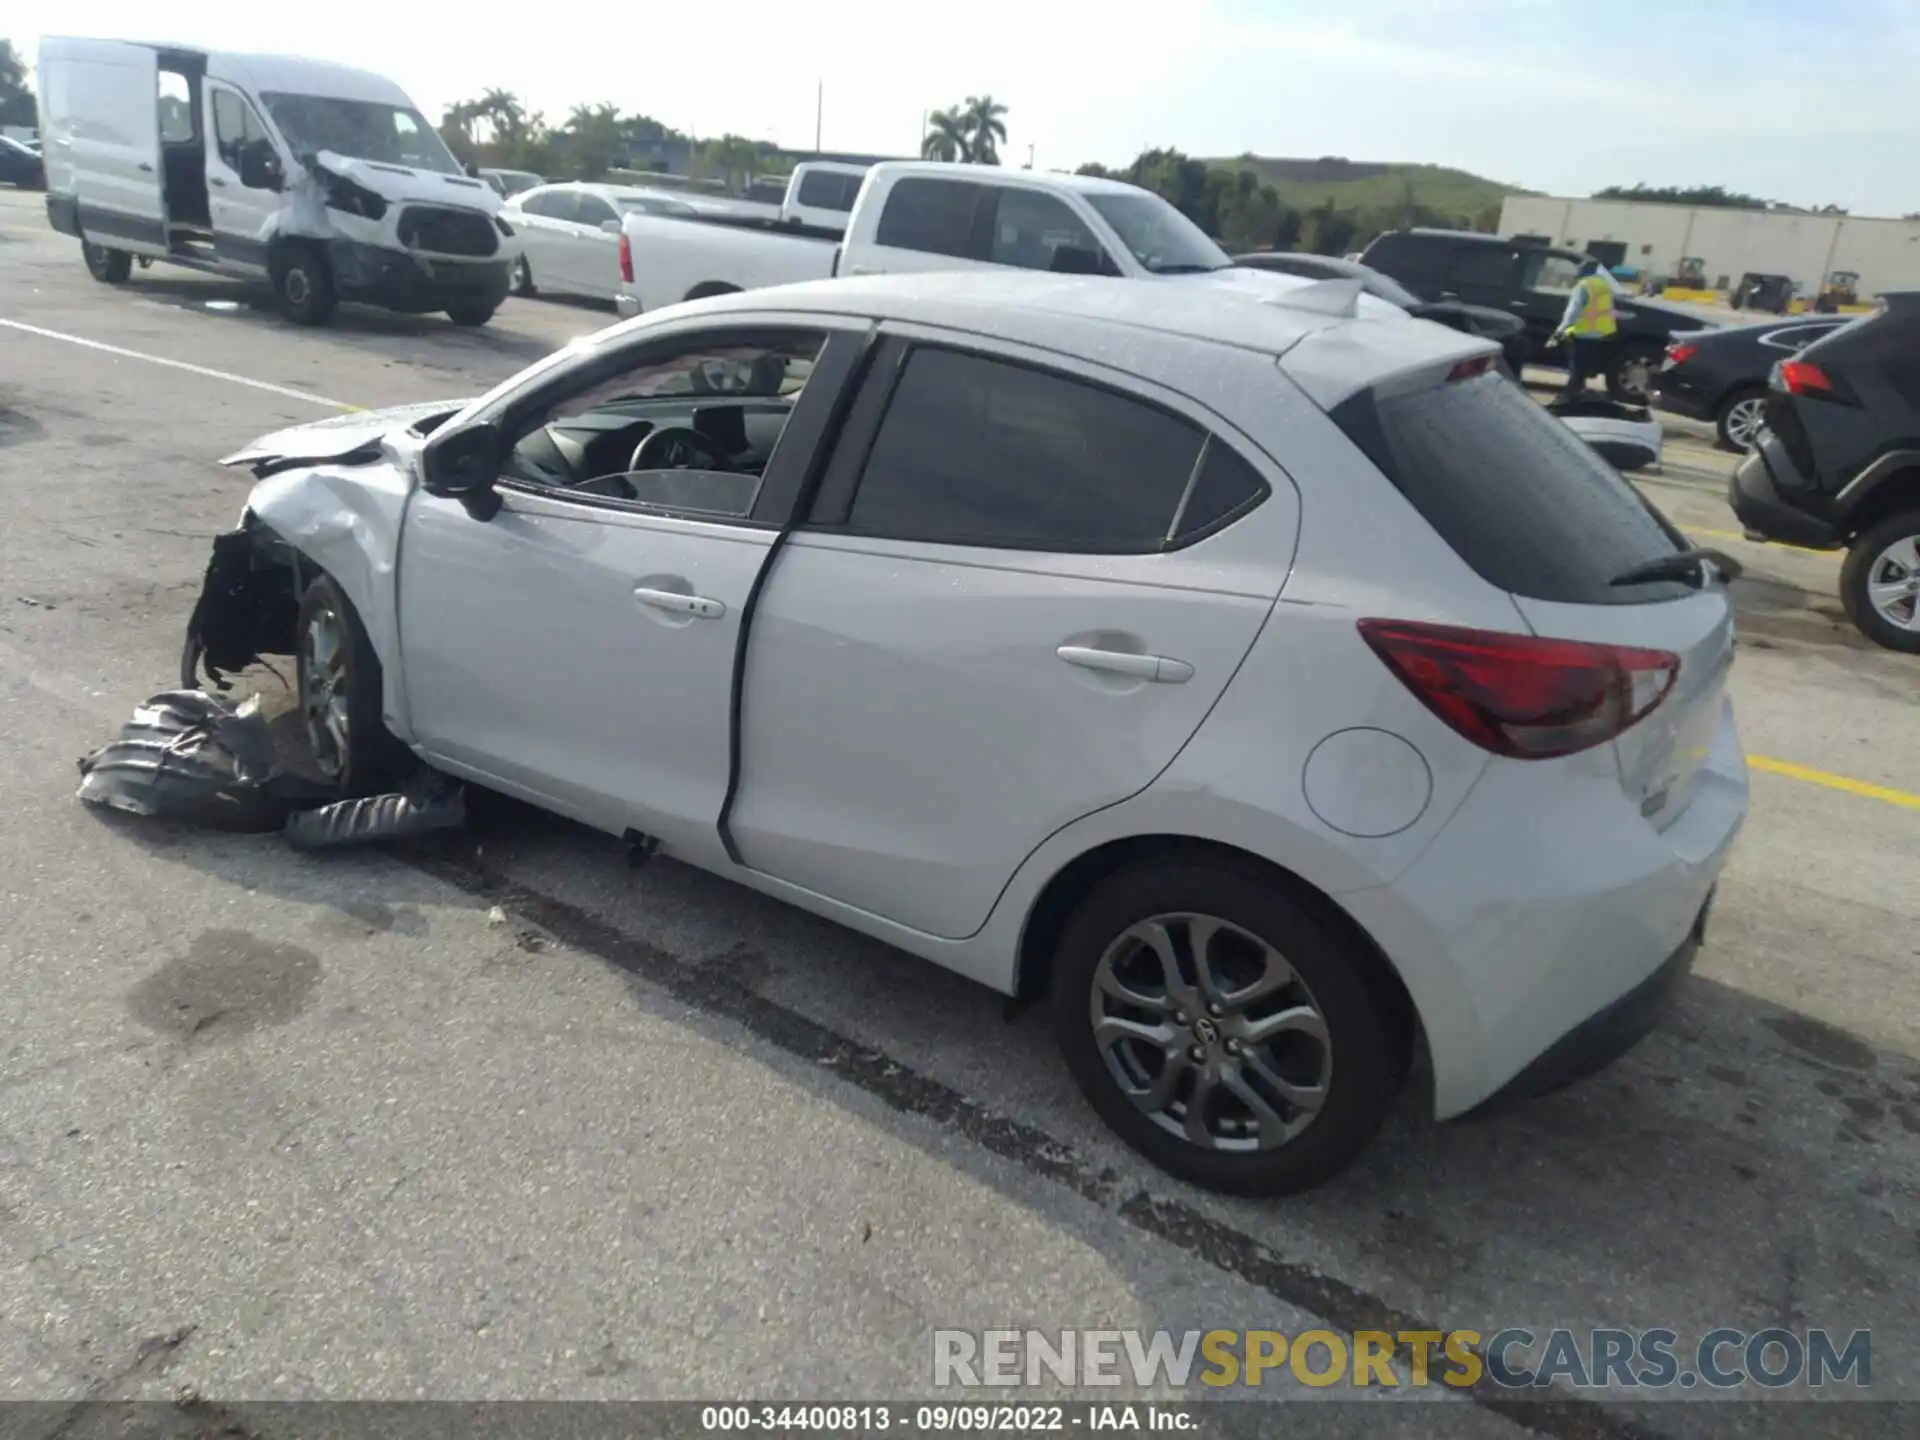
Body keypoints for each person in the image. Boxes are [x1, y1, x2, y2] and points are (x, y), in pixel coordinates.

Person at [1552, 258, 1617, 400]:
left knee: (1576, 368)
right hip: (1600, 334)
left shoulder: (1583, 286)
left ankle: (1569, 397)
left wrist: (1560, 330)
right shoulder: (1603, 285)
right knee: (1584, 368)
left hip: (1582, 334)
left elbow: (1573, 311)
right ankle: (1577, 392)